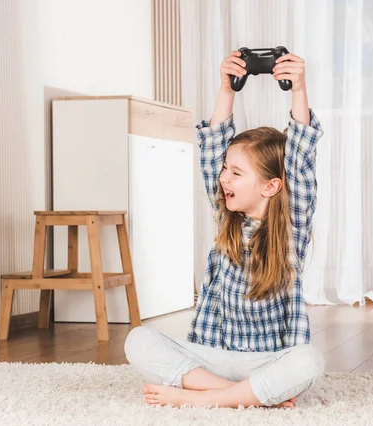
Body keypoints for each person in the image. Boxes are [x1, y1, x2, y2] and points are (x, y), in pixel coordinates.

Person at [125, 49, 325, 409]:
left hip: (269, 358)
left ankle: (201, 399)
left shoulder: (291, 228)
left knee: (309, 361)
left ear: (272, 186)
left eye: (236, 172)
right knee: (137, 340)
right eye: (225, 169)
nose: (223, 178)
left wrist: (299, 89)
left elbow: (301, 156)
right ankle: (232, 394)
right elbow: (213, 143)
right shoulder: (227, 217)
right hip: (213, 355)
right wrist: (227, 88)